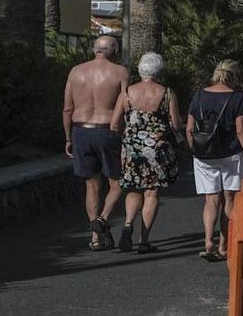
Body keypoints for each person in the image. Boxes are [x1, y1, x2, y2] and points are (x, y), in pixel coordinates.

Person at [62, 34, 128, 250]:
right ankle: (102, 219)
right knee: (117, 183)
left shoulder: (76, 72)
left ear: (95, 50)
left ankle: (95, 237)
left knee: (91, 185)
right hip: (108, 130)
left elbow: (67, 108)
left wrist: (68, 137)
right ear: (115, 51)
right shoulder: (120, 72)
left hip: (81, 130)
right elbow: (126, 105)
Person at [111, 52, 181, 254]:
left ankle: (127, 223)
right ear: (160, 70)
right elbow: (176, 124)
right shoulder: (167, 93)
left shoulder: (127, 93)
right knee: (152, 191)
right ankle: (144, 240)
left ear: (141, 70)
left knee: (133, 188)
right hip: (157, 149)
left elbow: (114, 124)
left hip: (132, 149)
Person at [187, 60, 243, 262]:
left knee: (211, 200)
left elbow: (189, 127)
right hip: (231, 153)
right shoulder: (238, 98)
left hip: (204, 154)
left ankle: (208, 239)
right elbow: (241, 130)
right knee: (230, 199)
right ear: (233, 76)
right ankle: (223, 245)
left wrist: (195, 148)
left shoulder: (199, 95)